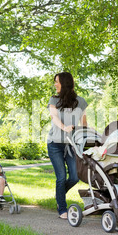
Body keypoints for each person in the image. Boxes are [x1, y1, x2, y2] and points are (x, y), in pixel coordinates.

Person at [47, 72, 88, 219]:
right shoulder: (54, 99)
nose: (55, 84)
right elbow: (54, 118)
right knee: (61, 177)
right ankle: (62, 208)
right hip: (55, 144)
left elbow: (84, 123)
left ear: (64, 83)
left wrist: (87, 134)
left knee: (75, 176)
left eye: (57, 82)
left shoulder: (80, 101)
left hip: (71, 145)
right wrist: (64, 127)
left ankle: (59, 196)